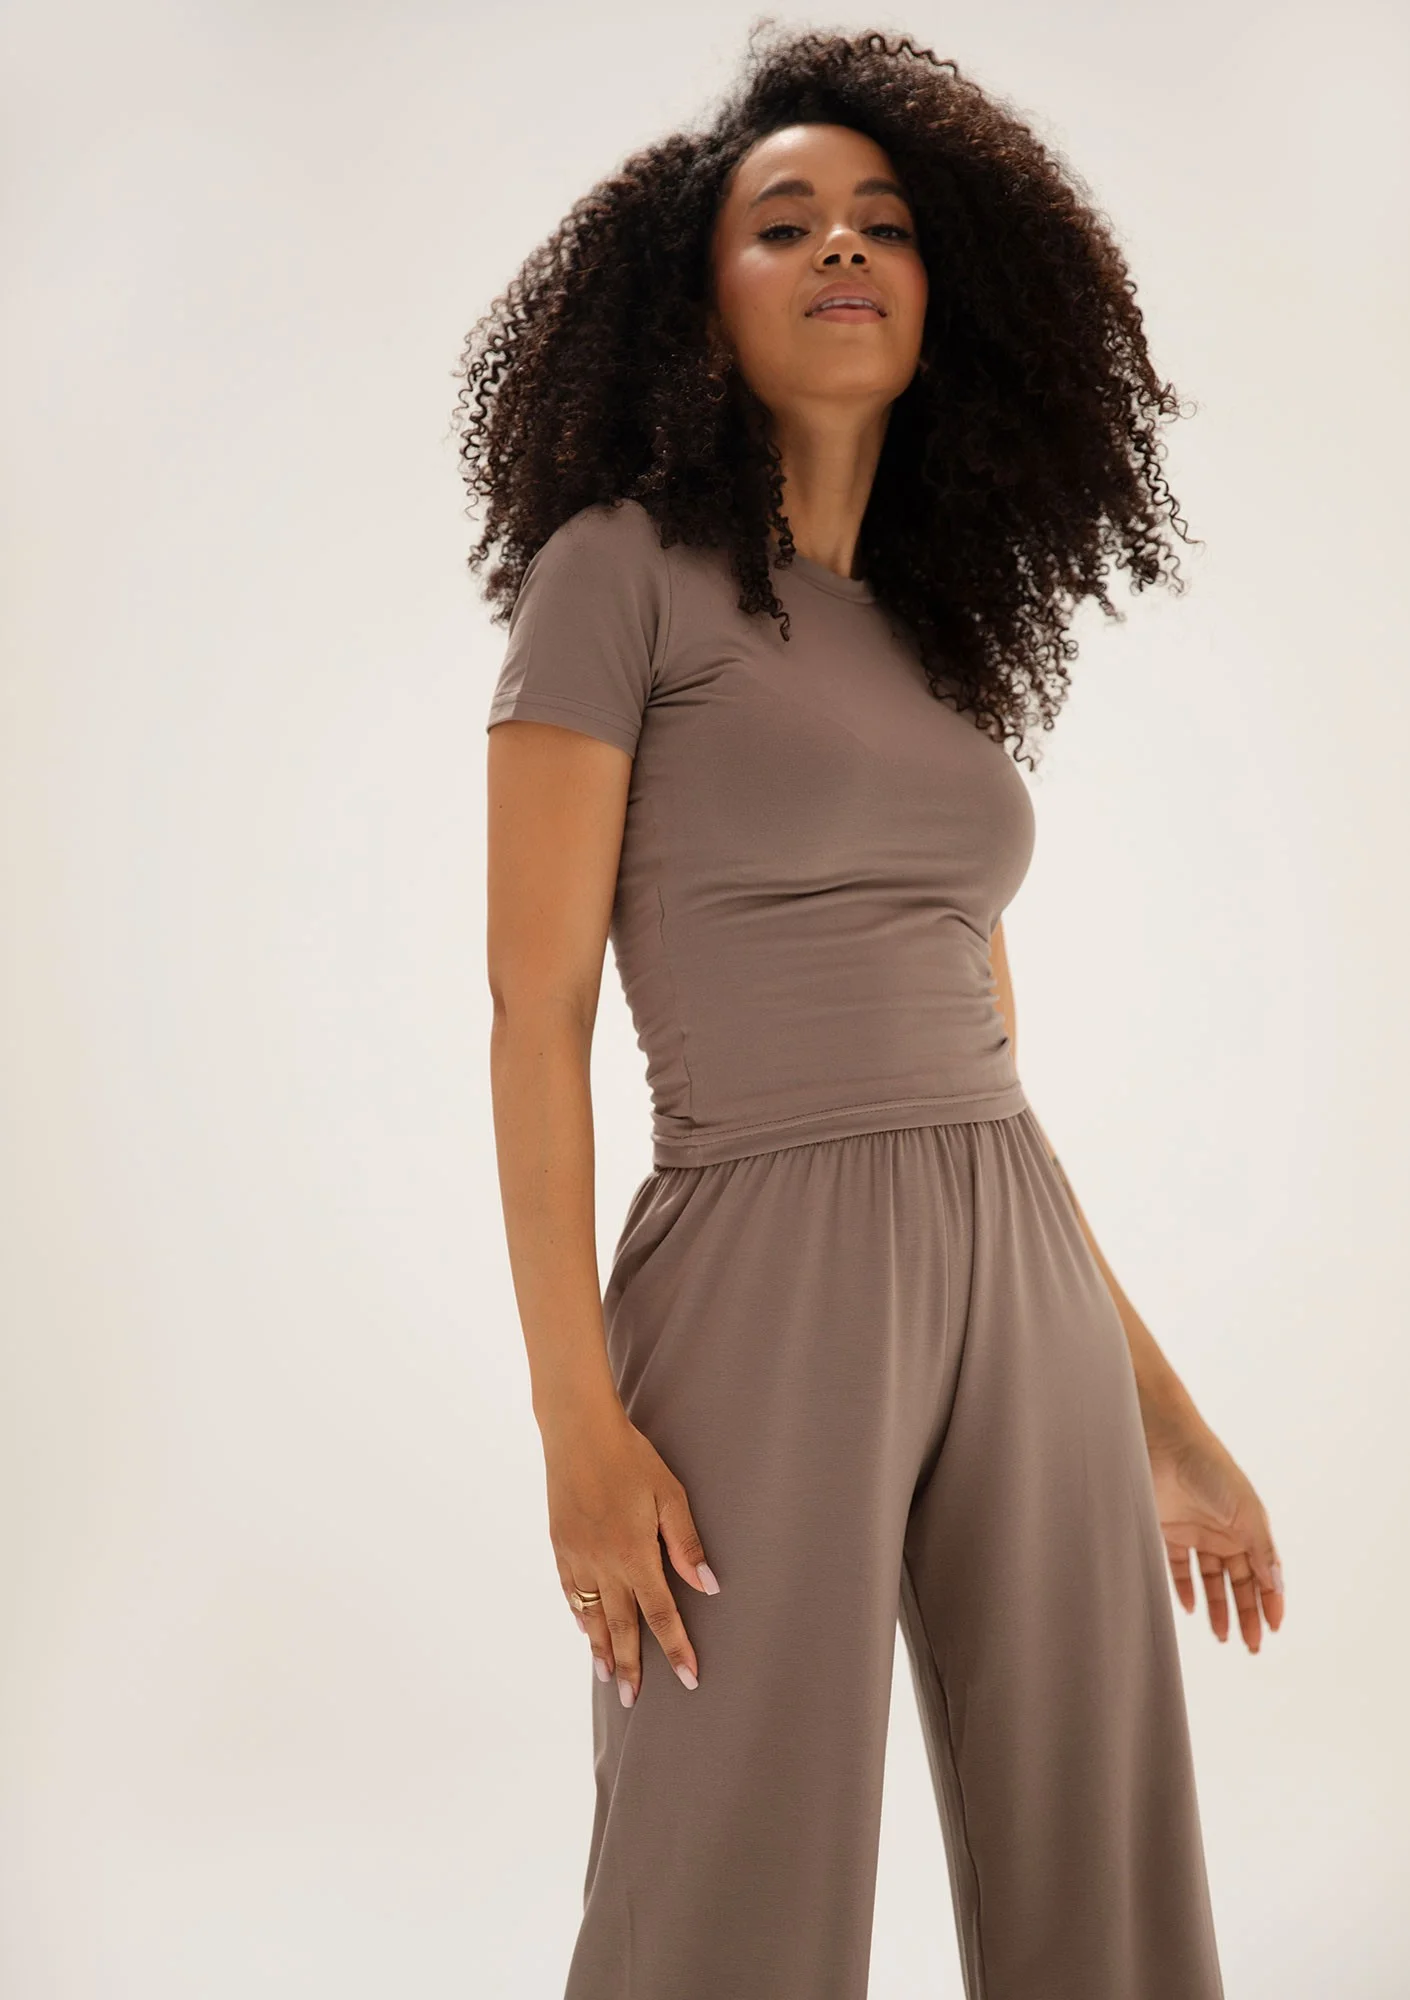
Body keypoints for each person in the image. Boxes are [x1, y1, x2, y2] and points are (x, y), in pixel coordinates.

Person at [456, 25, 1284, 2000]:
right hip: (761, 1255)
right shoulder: (613, 578)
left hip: (1016, 1261)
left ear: (943, 290)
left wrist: (1166, 1417)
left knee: (1099, 1841)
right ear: (696, 301)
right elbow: (529, 1010)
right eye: (785, 221)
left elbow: (991, 1075)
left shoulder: (936, 635)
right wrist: (575, 1422)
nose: (843, 244)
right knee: (727, 1859)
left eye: (884, 220)